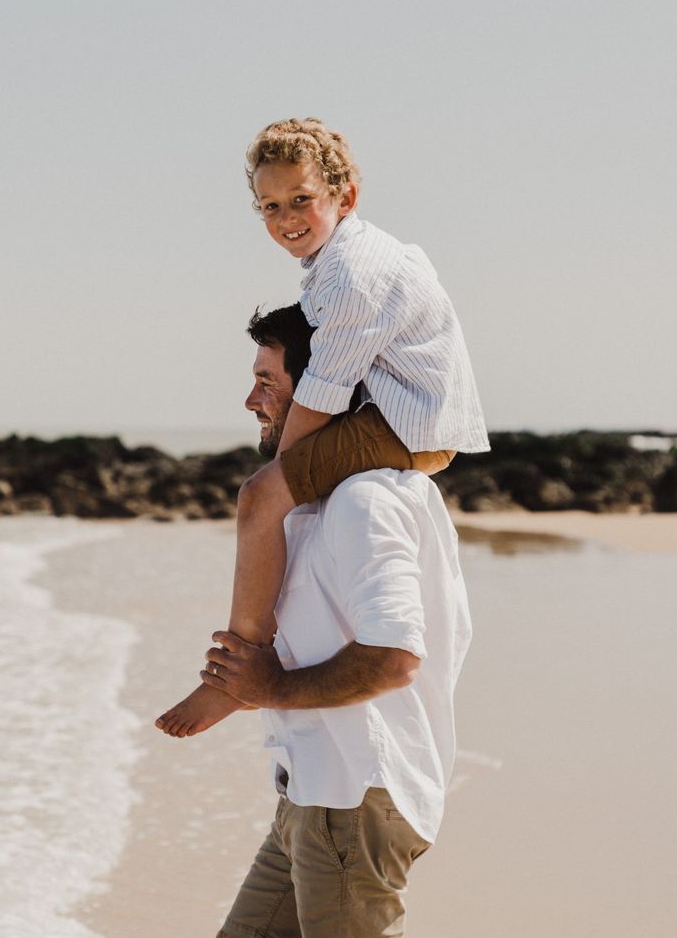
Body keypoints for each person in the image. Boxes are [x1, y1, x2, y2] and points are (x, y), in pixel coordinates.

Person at [156, 118, 487, 738]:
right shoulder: (348, 258)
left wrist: (277, 474)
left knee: (260, 497)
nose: (286, 219)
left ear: (345, 197)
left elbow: (321, 393)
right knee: (278, 491)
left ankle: (231, 676)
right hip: (405, 415)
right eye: (270, 206)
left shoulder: (351, 274)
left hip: (404, 425)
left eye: (301, 200)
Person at [187, 303, 473, 938]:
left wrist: (269, 686)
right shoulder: (317, 501)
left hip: (355, 791)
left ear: (321, 393)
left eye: (267, 381)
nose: (251, 398)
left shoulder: (363, 502)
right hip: (315, 785)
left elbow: (394, 658)